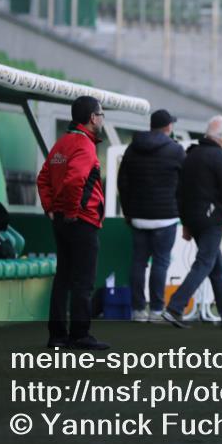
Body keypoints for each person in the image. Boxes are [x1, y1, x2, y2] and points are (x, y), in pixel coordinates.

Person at [162, 116, 222, 330]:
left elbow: (179, 192)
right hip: (211, 220)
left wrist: (185, 222)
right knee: (205, 263)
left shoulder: (190, 155)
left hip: (194, 218)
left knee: (216, 268)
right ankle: (175, 307)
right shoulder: (220, 158)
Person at [37, 96, 109, 350]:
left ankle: (57, 336)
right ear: (92, 118)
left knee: (63, 278)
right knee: (83, 281)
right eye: (101, 114)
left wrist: (50, 208)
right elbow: (74, 180)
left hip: (62, 220)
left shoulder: (62, 143)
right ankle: (80, 335)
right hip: (81, 219)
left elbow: (43, 177)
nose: (102, 118)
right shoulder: (85, 145)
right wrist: (69, 211)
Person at [118, 108, 185, 323]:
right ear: (168, 127)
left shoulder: (132, 148)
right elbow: (186, 183)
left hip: (138, 216)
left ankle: (138, 310)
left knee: (138, 262)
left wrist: (128, 212)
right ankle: (156, 310)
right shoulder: (176, 150)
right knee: (161, 263)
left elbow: (122, 183)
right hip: (166, 217)